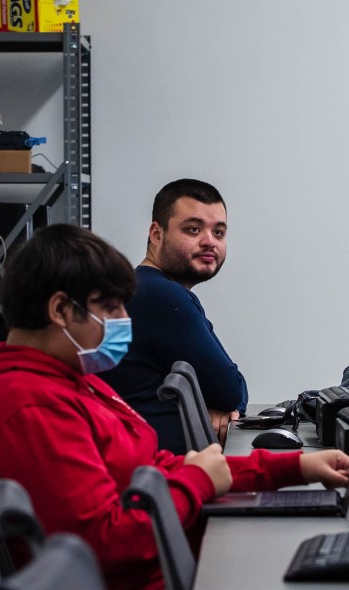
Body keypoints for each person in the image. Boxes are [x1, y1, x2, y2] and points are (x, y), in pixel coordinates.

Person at [0, 224, 349, 590]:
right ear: (61, 310)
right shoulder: (29, 405)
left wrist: (294, 468)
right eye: (110, 308)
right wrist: (198, 481)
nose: (123, 322)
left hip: (151, 580)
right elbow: (104, 542)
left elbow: (155, 467)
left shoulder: (69, 381)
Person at [100, 178, 246, 454]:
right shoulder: (159, 295)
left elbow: (228, 390)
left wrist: (226, 403)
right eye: (193, 229)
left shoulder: (147, 287)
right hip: (156, 467)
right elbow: (231, 389)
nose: (209, 242)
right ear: (157, 234)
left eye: (219, 232)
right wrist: (225, 403)